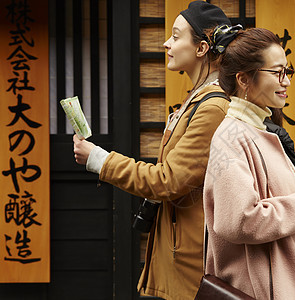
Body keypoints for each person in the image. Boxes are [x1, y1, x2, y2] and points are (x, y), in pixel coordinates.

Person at [72, 2, 236, 299]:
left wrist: (99, 159)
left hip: (191, 262)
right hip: (179, 250)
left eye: (176, 36)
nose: (166, 43)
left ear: (201, 48)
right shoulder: (198, 101)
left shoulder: (212, 107)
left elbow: (167, 180)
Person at [203, 27, 295, 299]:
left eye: (287, 72)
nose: (286, 81)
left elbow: (274, 205)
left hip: (282, 283)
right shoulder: (230, 137)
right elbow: (239, 220)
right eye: (278, 72)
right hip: (264, 290)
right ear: (244, 79)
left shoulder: (257, 131)